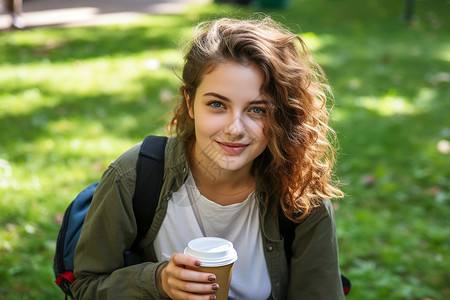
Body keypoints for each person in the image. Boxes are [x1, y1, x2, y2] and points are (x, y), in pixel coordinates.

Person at [71, 16, 345, 300]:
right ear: (190, 102)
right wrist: (159, 282)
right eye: (217, 104)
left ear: (282, 115)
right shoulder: (134, 176)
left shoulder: (299, 193)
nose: (235, 129)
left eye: (257, 110)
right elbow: (86, 286)